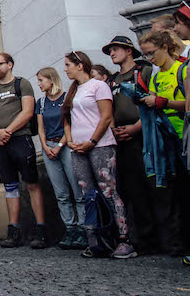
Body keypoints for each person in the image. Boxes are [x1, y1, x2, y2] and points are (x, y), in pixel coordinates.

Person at [62, 50, 136, 259]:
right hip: (78, 148)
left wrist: (92, 141)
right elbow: (67, 118)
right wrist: (70, 141)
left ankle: (124, 239)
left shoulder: (98, 86)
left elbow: (105, 117)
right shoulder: (73, 90)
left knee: (108, 190)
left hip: (101, 146)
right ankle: (98, 240)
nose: (65, 69)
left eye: (68, 65)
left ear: (80, 65)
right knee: (89, 193)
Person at [0, 52, 47, 249]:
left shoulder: (22, 84)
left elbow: (28, 111)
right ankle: (14, 230)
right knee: (9, 185)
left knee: (31, 183)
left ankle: (41, 229)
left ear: (10, 65)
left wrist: (8, 130)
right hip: (1, 141)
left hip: (20, 138)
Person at [103, 35, 160, 254]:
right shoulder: (112, 80)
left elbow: (152, 101)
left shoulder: (142, 71)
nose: (112, 53)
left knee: (152, 187)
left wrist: (136, 127)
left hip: (143, 134)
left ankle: (158, 238)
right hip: (121, 138)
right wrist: (114, 131)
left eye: (115, 49)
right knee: (131, 189)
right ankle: (141, 238)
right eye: (110, 51)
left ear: (129, 50)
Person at [136, 30, 188, 255]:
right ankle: (180, 243)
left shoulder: (182, 70)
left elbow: (187, 103)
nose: (150, 59)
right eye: (146, 55)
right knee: (176, 194)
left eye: (152, 53)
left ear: (165, 48)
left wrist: (163, 101)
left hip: (184, 134)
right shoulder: (156, 76)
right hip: (166, 141)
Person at [36, 66, 84, 249]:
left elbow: (68, 125)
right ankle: (70, 228)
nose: (39, 84)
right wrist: (46, 147)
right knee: (61, 193)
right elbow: (40, 128)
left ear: (51, 79)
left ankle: (84, 229)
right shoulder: (41, 103)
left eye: (41, 80)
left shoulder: (66, 99)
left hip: (65, 146)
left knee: (77, 190)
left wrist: (60, 145)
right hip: (48, 147)